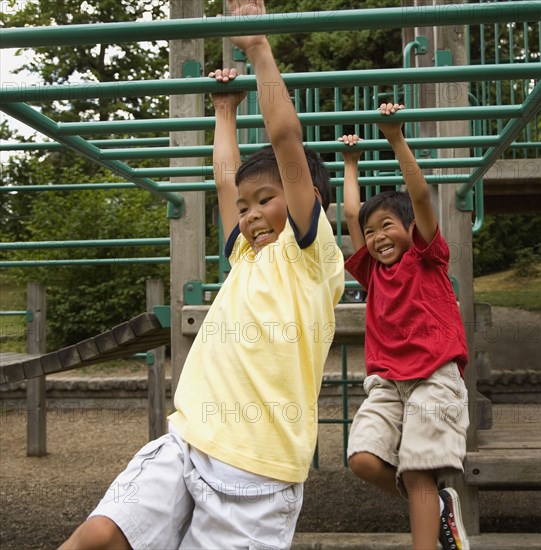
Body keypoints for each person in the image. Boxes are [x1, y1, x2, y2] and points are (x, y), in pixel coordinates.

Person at [59, 1, 344, 549]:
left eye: (268, 199)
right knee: (98, 536)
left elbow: (288, 142)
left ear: (308, 200)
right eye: (247, 206)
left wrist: (259, 49)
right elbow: (224, 181)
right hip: (188, 439)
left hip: (256, 472)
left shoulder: (310, 256)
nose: (253, 212)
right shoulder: (246, 256)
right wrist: (223, 110)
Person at [339, 106, 470, 550]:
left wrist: (395, 137)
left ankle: (426, 529)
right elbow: (352, 212)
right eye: (370, 233)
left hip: (434, 376)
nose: (377, 238)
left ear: (408, 229)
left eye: (387, 227)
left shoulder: (426, 255)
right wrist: (350, 163)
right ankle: (434, 507)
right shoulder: (371, 272)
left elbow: (420, 197)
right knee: (361, 460)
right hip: (388, 384)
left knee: (417, 470)